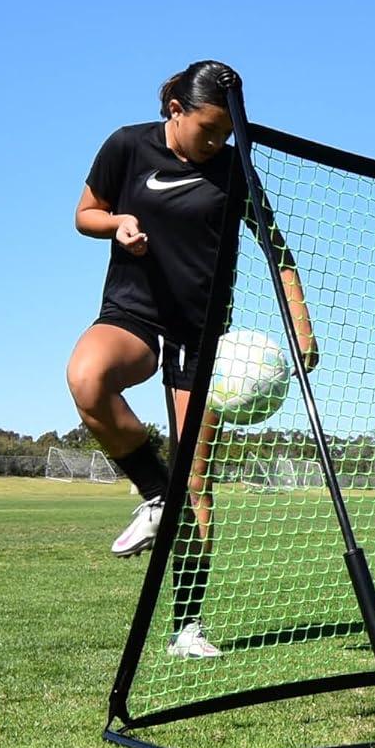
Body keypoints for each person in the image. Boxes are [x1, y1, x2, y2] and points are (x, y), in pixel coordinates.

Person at [67, 60, 317, 657]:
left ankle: (188, 626)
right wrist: (118, 222)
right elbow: (85, 213)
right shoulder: (126, 146)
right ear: (175, 110)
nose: (217, 141)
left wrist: (302, 331)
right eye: (208, 129)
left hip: (204, 336)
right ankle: (157, 494)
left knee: (198, 478)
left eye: (227, 132)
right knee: (87, 377)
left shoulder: (235, 170)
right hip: (133, 312)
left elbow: (277, 252)